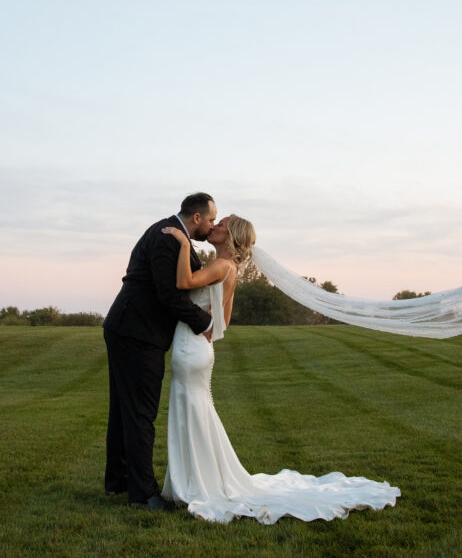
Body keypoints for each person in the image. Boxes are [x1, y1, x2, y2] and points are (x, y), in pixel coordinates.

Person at [160, 214, 401, 523]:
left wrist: (182, 243)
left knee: (191, 410)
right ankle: (196, 479)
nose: (216, 226)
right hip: (200, 348)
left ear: (230, 235)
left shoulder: (220, 266)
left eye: (222, 224)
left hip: (190, 347)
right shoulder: (230, 270)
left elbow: (184, 283)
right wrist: (208, 328)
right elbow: (225, 321)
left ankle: (194, 483)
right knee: (195, 411)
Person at [102, 193, 217, 509]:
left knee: (125, 410)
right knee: (140, 413)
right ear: (196, 218)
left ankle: (118, 481)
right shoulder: (167, 237)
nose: (212, 225)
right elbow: (168, 295)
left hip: (129, 327)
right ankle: (143, 494)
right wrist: (205, 322)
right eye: (210, 219)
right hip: (136, 332)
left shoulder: (170, 233)